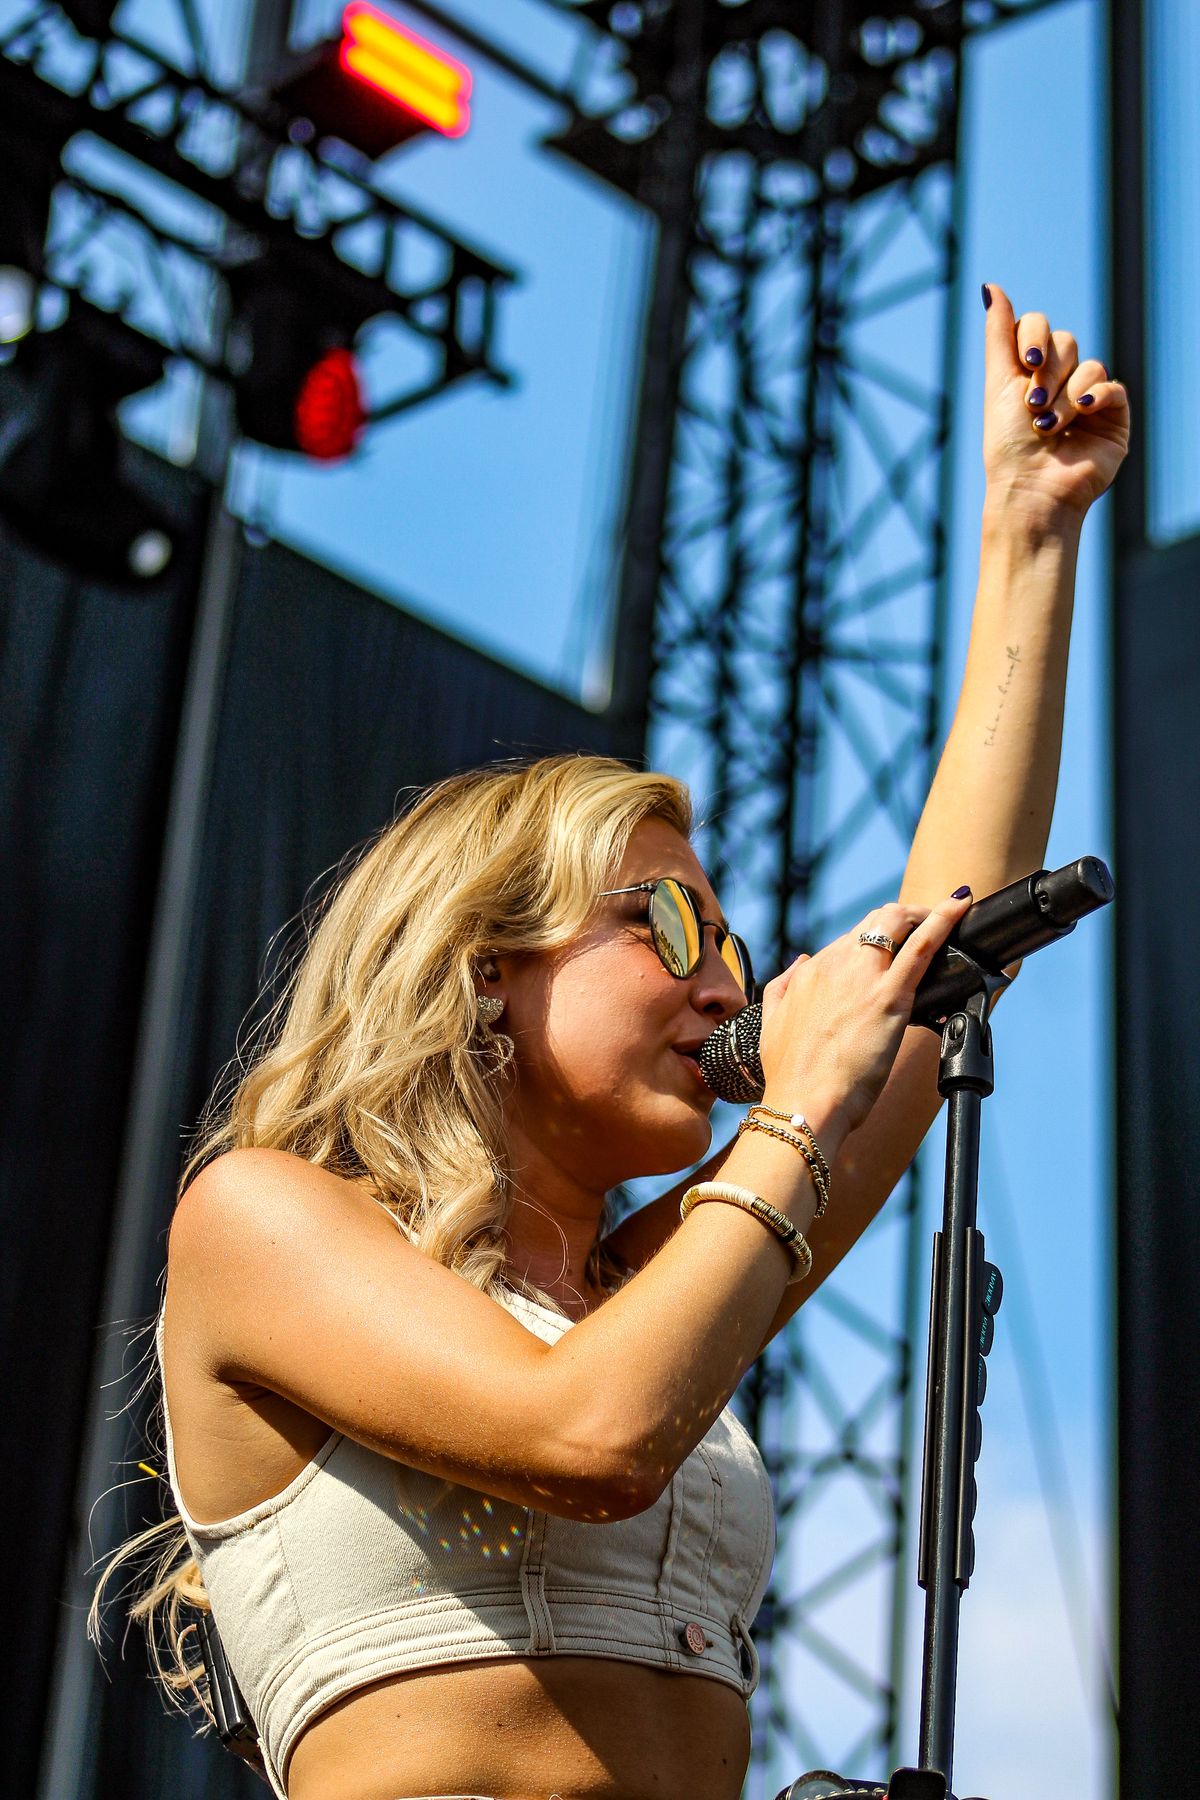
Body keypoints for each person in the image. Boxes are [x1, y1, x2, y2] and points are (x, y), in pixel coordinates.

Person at [95, 282, 1128, 1800]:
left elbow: (926, 983)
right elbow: (587, 1437)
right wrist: (795, 1120)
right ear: (484, 969)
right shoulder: (259, 1220)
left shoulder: (646, 1293)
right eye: (675, 929)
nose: (730, 989)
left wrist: (1031, 533)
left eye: (737, 950)